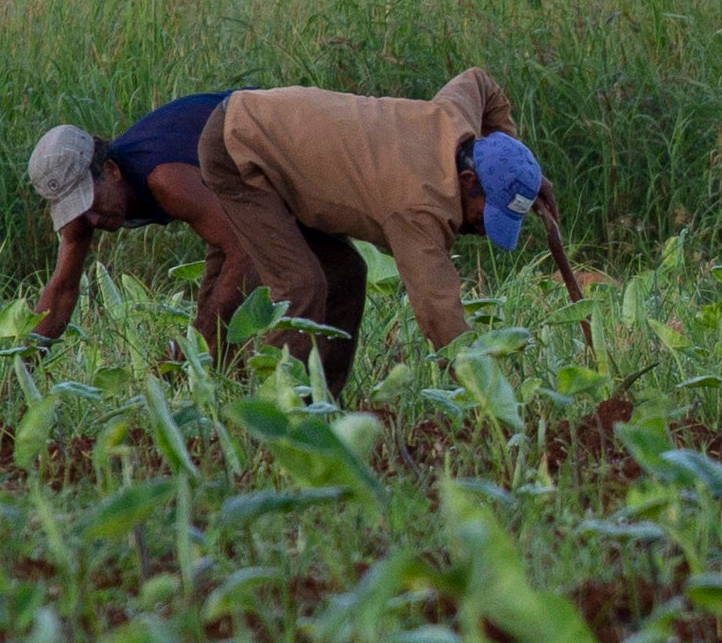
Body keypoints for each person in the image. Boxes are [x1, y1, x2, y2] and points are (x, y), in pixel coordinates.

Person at [195, 67, 550, 398]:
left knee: (346, 275)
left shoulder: (455, 118)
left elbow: (480, 82)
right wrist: (489, 394)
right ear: (468, 180)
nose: (483, 230)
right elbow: (437, 310)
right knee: (301, 285)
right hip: (241, 146)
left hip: (286, 153)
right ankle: (280, 408)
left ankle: (324, 403)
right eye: (485, 214)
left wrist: (517, 168)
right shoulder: (418, 204)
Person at [27, 92, 255, 349]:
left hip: (267, 144)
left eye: (88, 200)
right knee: (212, 335)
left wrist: (194, 343)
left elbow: (247, 249)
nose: (90, 219)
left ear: (111, 170)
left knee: (293, 290)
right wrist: (19, 372)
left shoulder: (166, 179)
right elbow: (62, 292)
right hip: (230, 205)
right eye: (75, 210)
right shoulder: (85, 216)